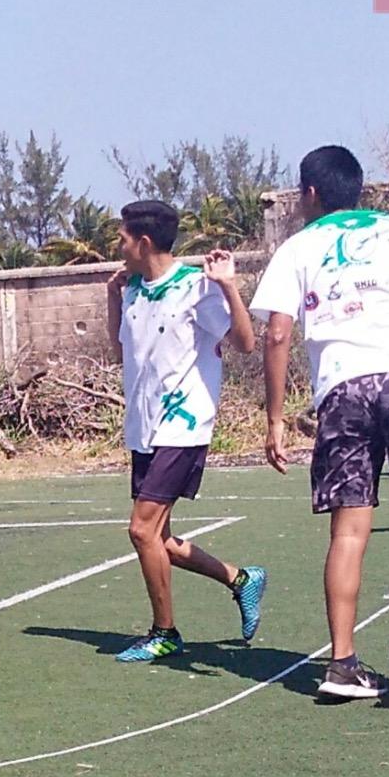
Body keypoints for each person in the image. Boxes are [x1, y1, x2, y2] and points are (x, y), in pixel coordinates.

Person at [253, 145, 389, 700]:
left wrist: (275, 417)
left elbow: (277, 334)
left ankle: (342, 665)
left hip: (342, 389)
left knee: (349, 529)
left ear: (310, 194)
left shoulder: (297, 246)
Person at [103, 200, 267, 663]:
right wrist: (113, 297)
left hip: (184, 424)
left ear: (144, 241)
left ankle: (165, 632)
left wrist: (229, 287)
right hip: (144, 427)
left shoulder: (197, 288)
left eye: (122, 238)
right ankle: (241, 578)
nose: (118, 246)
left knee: (141, 531)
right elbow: (121, 350)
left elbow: (246, 342)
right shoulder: (132, 288)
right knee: (162, 541)